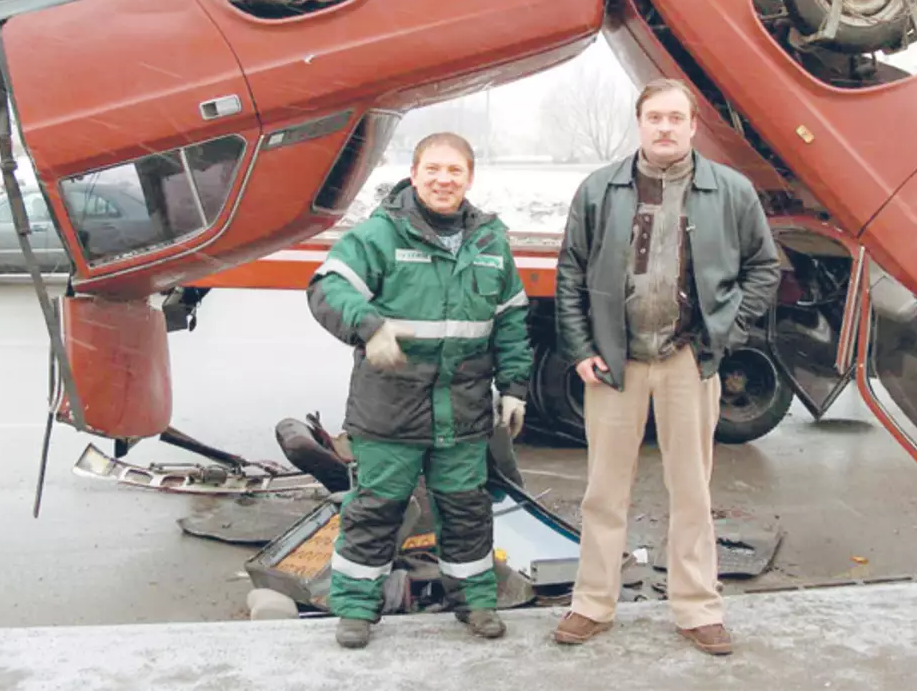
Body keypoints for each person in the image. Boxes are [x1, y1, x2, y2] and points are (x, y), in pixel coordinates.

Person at [551, 78, 780, 656]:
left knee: (692, 492)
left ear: (692, 125)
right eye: (655, 117)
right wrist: (581, 348)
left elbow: (764, 267)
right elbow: (571, 272)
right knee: (604, 491)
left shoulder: (728, 191)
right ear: (640, 122)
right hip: (616, 361)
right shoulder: (600, 189)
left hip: (687, 360)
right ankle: (593, 603)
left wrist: (723, 332)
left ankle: (698, 608)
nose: (665, 128)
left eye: (676, 118)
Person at [306, 131, 533, 650]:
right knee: (375, 510)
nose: (442, 179)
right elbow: (326, 287)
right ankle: (356, 610)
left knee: (466, 511)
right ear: (414, 174)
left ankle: (475, 602)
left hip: (463, 411)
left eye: (454, 171)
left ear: (469, 178)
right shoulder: (381, 235)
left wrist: (515, 387)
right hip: (390, 410)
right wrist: (369, 325)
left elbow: (513, 320)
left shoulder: (490, 243)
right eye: (432, 169)